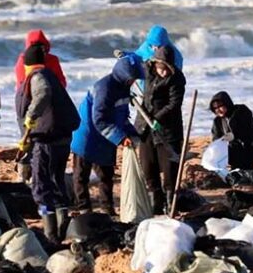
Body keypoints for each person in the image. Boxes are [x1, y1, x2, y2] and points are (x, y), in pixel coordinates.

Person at [16, 44, 81, 242]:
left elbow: (42, 94)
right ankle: (61, 226)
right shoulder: (50, 75)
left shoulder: (38, 77)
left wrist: (30, 116)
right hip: (62, 137)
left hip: (48, 140)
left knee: (41, 186)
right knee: (55, 180)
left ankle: (51, 232)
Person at [70, 52, 144, 215]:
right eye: (131, 79)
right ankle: (84, 209)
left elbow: (122, 117)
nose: (133, 83)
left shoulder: (124, 89)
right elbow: (100, 119)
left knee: (106, 175)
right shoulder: (104, 88)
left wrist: (132, 134)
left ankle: (107, 209)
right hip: (87, 135)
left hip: (105, 137)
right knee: (81, 175)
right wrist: (120, 138)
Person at [135, 46, 185, 215]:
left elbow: (174, 104)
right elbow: (131, 64)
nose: (164, 73)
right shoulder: (147, 69)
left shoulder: (177, 79)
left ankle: (171, 206)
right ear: (155, 64)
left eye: (167, 70)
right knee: (149, 167)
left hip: (167, 129)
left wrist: (157, 119)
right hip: (145, 127)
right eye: (161, 69)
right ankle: (155, 206)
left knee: (170, 169)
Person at [209, 91, 253, 171]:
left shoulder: (241, 111)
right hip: (236, 150)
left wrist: (233, 135)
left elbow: (246, 130)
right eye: (215, 108)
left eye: (220, 106)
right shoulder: (217, 121)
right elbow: (216, 139)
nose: (218, 110)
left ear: (227, 103)